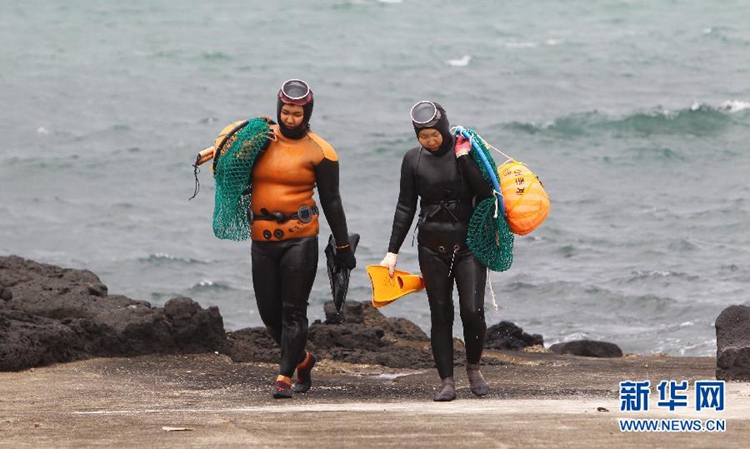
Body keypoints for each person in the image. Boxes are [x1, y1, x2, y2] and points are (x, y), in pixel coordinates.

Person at [379, 101, 492, 401]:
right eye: (422, 136)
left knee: (473, 311)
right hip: (431, 249)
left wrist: (465, 157)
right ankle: (447, 381)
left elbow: (486, 192)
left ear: (443, 129)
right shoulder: (413, 160)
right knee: (440, 313)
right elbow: (405, 207)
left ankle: (473, 368)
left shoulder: (466, 153)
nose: (429, 141)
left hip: (468, 246)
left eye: (433, 135)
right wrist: (392, 252)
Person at [249, 79, 356, 398]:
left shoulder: (322, 152)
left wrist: (343, 245)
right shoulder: (260, 141)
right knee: (269, 316)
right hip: (262, 239)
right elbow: (230, 169)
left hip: (300, 238)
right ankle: (303, 360)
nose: (290, 118)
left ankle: (284, 377)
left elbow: (332, 201)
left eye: (297, 113)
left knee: (293, 310)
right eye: (285, 112)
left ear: (307, 113)